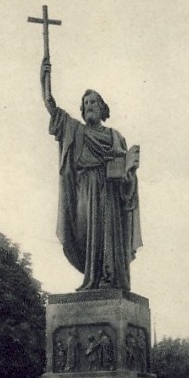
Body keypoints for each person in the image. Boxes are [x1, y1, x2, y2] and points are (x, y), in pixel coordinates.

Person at [41, 57, 142, 291]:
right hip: (85, 192)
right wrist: (45, 78)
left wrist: (129, 172)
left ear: (102, 108)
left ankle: (109, 278)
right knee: (87, 235)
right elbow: (51, 106)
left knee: (108, 238)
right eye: (86, 103)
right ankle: (92, 278)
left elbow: (127, 179)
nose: (89, 106)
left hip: (109, 195)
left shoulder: (115, 136)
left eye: (94, 102)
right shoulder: (75, 130)